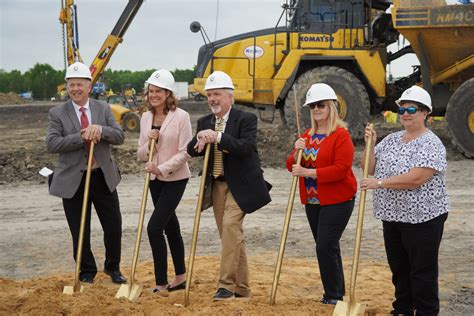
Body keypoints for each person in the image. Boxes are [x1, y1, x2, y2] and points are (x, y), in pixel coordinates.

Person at [360, 85, 449, 316]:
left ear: (425, 113)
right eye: (402, 109)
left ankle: (426, 312)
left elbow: (416, 179)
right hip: (392, 215)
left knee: (422, 271)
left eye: (412, 109)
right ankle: (402, 309)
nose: (406, 113)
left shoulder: (431, 143)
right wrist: (369, 144)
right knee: (399, 268)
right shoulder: (390, 140)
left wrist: (379, 183)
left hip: (424, 218)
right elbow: (369, 168)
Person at [187, 71, 271, 300]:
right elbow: (190, 150)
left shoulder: (246, 119)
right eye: (209, 95)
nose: (212, 99)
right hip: (216, 185)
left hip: (242, 185)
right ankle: (242, 288)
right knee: (230, 236)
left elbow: (246, 147)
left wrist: (218, 137)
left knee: (230, 228)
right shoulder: (204, 121)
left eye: (217, 94)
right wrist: (199, 141)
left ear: (230, 97)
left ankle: (225, 285)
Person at [46, 62, 126, 284]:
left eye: (79, 84)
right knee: (80, 230)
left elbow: (119, 137)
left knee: (113, 227)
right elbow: (52, 144)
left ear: (89, 86)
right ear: (67, 87)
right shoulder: (57, 113)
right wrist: (81, 136)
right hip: (74, 180)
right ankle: (87, 272)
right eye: (71, 85)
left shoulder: (103, 108)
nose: (75, 89)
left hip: (102, 177)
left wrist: (100, 130)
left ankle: (113, 268)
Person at [286, 83, 357, 305]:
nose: (316, 109)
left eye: (321, 105)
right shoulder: (306, 135)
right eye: (313, 106)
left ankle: (332, 295)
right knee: (328, 246)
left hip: (338, 199)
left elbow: (341, 169)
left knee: (324, 246)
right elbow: (291, 165)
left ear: (331, 107)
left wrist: (308, 171)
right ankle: (336, 292)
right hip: (314, 200)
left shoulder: (341, 135)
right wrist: (296, 150)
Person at [137, 69, 192, 293]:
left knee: (154, 228)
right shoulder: (145, 118)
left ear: (168, 93)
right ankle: (180, 277)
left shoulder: (182, 116)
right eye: (151, 91)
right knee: (171, 227)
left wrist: (162, 168)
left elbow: (185, 152)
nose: (154, 95)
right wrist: (148, 144)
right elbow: (140, 154)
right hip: (154, 179)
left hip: (175, 178)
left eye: (158, 91)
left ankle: (160, 281)